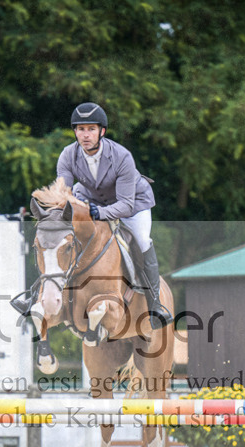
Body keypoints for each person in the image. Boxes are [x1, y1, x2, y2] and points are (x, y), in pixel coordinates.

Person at [56, 102, 172, 329]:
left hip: (133, 204)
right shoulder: (68, 155)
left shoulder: (121, 156)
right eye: (80, 129)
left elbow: (126, 206)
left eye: (91, 129)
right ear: (75, 132)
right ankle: (46, 293)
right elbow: (65, 196)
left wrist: (99, 212)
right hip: (93, 199)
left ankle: (155, 305)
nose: (85, 134)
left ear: (102, 131)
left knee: (142, 240)